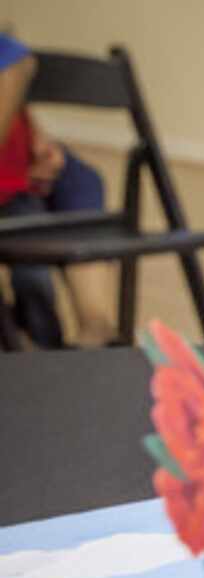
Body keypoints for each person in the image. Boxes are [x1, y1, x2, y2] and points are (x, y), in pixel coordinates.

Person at [0, 32, 116, 347]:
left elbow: (17, 79)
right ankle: (42, 346)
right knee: (32, 271)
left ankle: (95, 324)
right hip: (13, 194)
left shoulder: (10, 57)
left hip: (25, 174)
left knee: (81, 181)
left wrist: (41, 140)